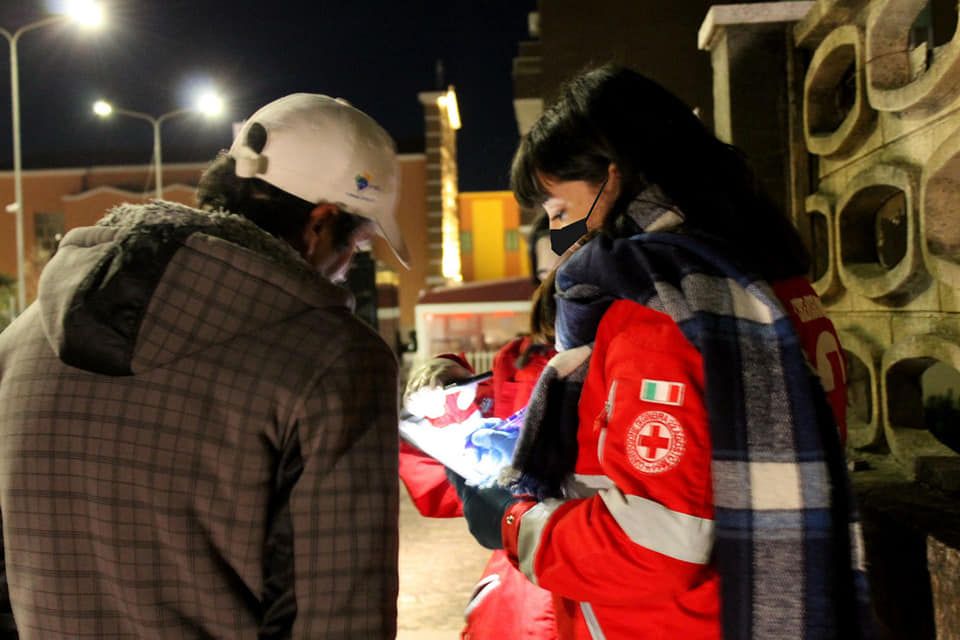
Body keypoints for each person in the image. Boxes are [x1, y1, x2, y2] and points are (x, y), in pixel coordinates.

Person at [448, 65, 869, 639]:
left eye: (559, 211)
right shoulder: (769, 283)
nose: (557, 238)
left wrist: (515, 523)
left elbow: (656, 545)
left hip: (672, 622)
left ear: (613, 177)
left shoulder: (659, 312)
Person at [0, 94, 407, 638]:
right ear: (319, 223)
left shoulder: (19, 342)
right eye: (357, 244)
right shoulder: (334, 361)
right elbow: (340, 612)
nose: (348, 266)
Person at [398, 215, 560, 640]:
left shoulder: (643, 359)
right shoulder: (522, 363)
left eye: (570, 264)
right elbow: (447, 489)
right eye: (543, 275)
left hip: (608, 597)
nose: (557, 287)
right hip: (522, 599)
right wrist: (441, 404)